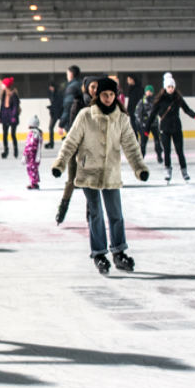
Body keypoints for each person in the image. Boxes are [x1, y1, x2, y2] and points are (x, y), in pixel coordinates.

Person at [51, 77, 148, 275]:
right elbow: (70, 142)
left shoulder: (121, 118)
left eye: (112, 95)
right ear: (98, 95)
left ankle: (119, 252)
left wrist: (139, 168)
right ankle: (99, 253)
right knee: (96, 214)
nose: (108, 98)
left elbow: (131, 146)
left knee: (116, 215)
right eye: (105, 94)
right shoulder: (86, 115)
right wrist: (60, 164)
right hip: (89, 174)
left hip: (111, 173)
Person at [55, 76, 101, 225]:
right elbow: (74, 128)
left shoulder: (101, 104)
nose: (94, 90)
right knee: (71, 180)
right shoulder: (78, 103)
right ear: (86, 87)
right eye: (92, 87)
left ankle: (91, 215)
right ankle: (62, 209)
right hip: (77, 148)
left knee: (91, 183)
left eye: (96, 87)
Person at [144, 72, 195, 183]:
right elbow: (152, 115)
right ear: (165, 87)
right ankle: (168, 171)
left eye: (172, 87)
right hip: (164, 129)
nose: (171, 89)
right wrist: (146, 129)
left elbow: (186, 109)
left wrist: (194, 115)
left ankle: (184, 172)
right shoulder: (160, 100)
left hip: (176, 129)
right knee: (167, 152)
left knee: (180, 151)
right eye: (169, 87)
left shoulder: (177, 98)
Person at [134, 85, 163, 163]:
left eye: (150, 91)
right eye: (147, 91)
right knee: (143, 142)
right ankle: (141, 158)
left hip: (154, 124)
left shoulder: (155, 101)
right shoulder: (142, 101)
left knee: (157, 141)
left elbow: (160, 112)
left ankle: (159, 156)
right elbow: (137, 113)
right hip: (145, 125)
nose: (149, 93)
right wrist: (141, 124)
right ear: (145, 92)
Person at [0, 77, 20, 159]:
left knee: (13, 134)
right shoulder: (3, 94)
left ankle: (15, 150)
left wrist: (14, 116)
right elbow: (2, 106)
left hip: (12, 117)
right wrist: (0, 116)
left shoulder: (14, 94)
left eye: (3, 84)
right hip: (5, 116)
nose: (2, 86)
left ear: (6, 85)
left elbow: (15, 106)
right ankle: (6, 151)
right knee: (5, 135)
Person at [59, 65, 82, 132]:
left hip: (72, 121)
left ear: (71, 74)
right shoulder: (82, 84)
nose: (67, 76)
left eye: (67, 74)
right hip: (83, 120)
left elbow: (68, 107)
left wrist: (61, 124)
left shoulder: (71, 87)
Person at [24, 115, 42, 189]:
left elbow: (31, 144)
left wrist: (26, 152)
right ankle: (34, 182)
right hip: (32, 154)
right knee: (32, 168)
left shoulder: (34, 133)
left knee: (32, 168)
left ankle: (34, 183)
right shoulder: (35, 133)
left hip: (32, 155)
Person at [45, 81, 63, 148]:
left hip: (59, 112)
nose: (50, 88)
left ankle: (70, 141)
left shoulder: (58, 94)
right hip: (54, 113)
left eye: (51, 87)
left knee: (67, 127)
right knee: (50, 128)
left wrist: (51, 107)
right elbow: (53, 102)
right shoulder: (50, 93)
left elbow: (58, 103)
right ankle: (51, 143)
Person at [125, 75, 143, 140]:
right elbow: (130, 101)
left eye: (129, 79)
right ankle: (136, 139)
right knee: (133, 126)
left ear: (133, 80)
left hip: (138, 110)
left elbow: (139, 100)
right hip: (132, 110)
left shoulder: (139, 88)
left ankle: (143, 137)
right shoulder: (130, 88)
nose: (128, 81)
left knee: (138, 126)